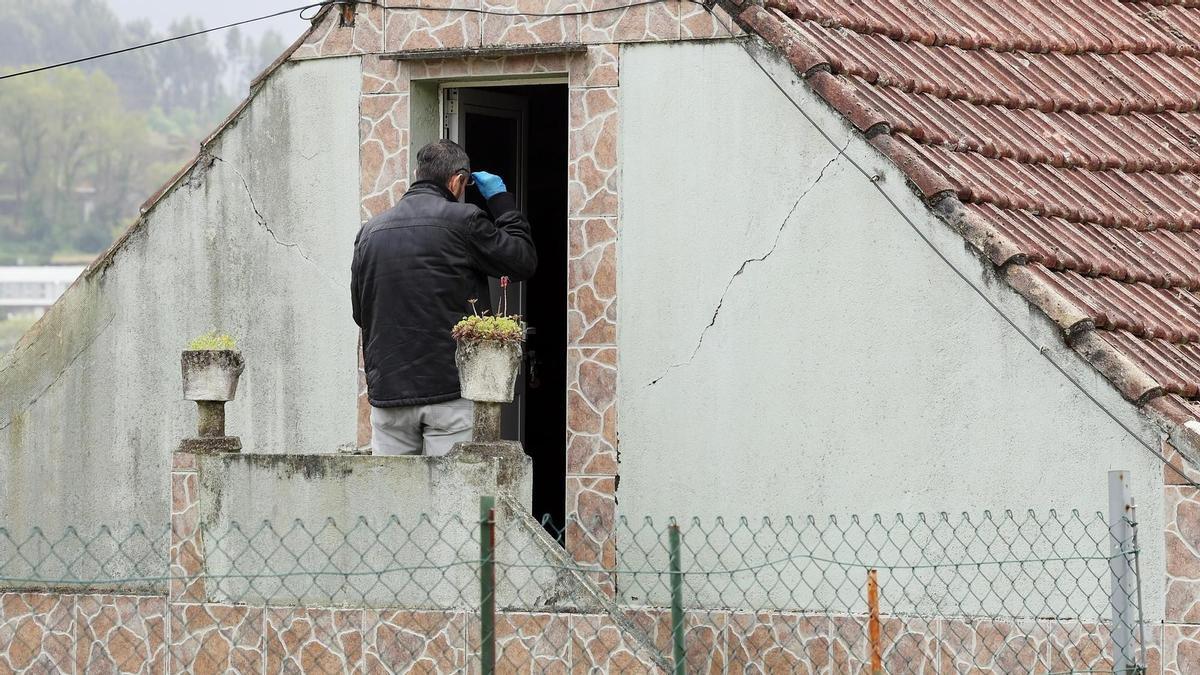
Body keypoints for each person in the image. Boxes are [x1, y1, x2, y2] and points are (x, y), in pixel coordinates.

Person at [351, 139, 537, 456]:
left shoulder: (369, 232)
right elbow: (522, 260)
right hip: (449, 392)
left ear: (416, 173)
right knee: (452, 500)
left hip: (388, 396)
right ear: (457, 180)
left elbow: (360, 313)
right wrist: (501, 202)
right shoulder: (464, 221)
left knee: (395, 501)